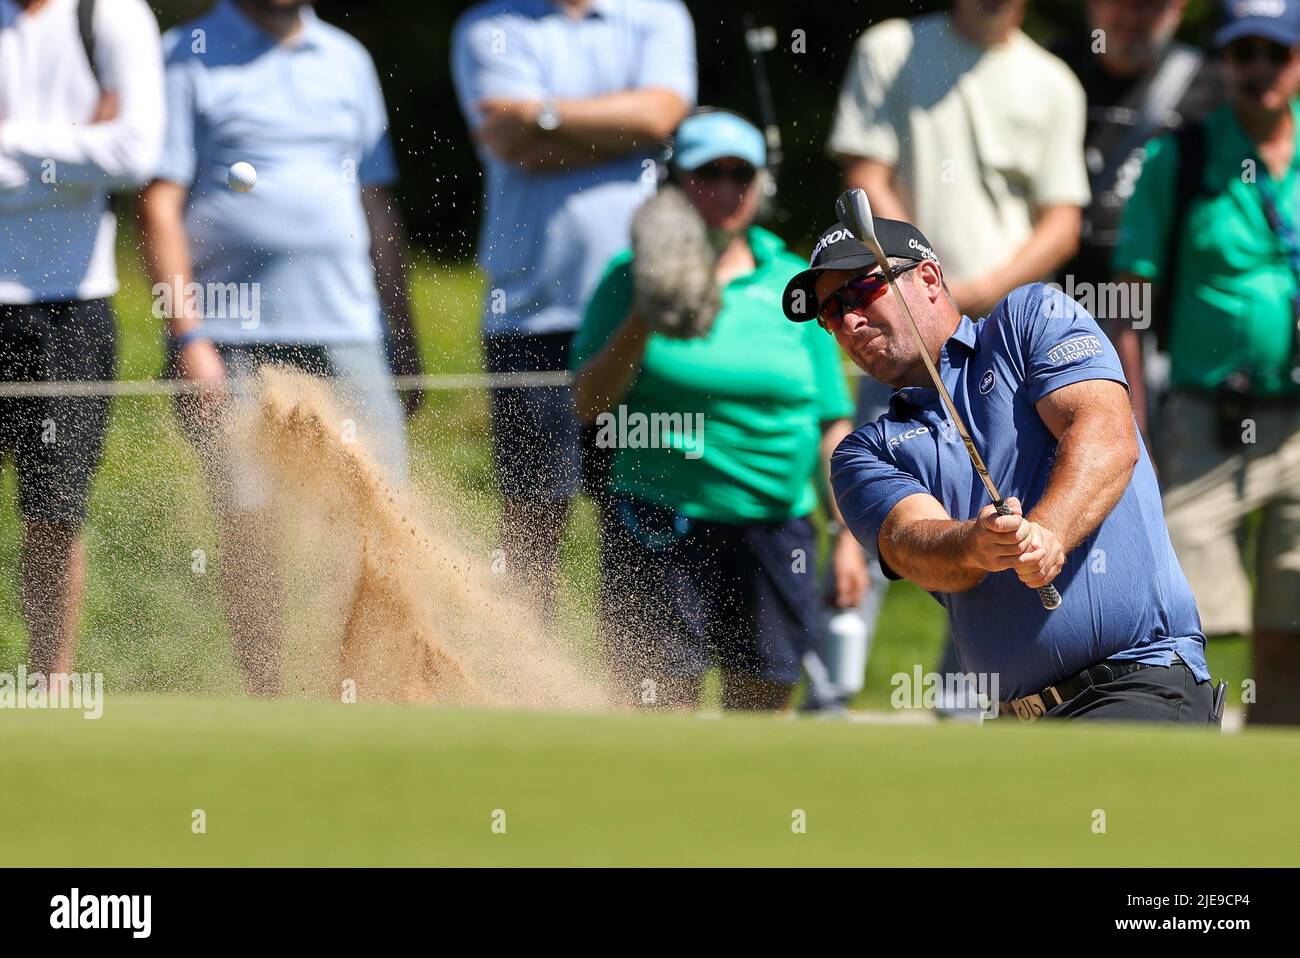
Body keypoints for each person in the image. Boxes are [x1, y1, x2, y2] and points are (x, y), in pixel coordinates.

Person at [784, 217, 1219, 724]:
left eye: (862, 291)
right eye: (831, 314)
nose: (849, 321)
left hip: (1138, 682)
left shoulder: (1030, 317)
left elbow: (1106, 435)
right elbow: (910, 542)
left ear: (927, 279)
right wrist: (976, 543)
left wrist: (1048, 535)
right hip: (1011, 722)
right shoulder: (863, 452)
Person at [138, 0, 420, 696]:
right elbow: (159, 205)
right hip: (231, 335)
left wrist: (403, 335)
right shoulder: (187, 52)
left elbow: (374, 202)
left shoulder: (347, 59)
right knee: (250, 515)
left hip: (347, 325)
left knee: (384, 512)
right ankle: (269, 696)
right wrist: (189, 337)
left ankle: (371, 686)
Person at [828, 0, 1092, 712]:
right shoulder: (890, 47)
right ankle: (825, 705)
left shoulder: (1053, 81)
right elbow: (864, 182)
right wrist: (917, 275)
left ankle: (966, 709)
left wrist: (979, 293)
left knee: (992, 525)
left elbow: (1061, 220)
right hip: (900, 327)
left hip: (1000, 340)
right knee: (871, 516)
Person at [571, 110, 862, 711]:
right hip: (656, 521)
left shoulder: (797, 284)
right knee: (655, 714)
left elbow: (832, 424)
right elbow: (588, 404)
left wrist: (848, 534)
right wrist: (643, 317)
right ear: (676, 184)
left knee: (760, 713)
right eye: (709, 174)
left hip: (774, 531)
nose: (726, 192)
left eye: (741, 175)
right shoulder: (626, 279)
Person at [451, 0, 695, 614]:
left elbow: (662, 116)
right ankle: (523, 691)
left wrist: (546, 114)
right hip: (531, 315)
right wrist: (624, 135)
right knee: (532, 523)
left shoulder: (659, 14)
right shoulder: (490, 26)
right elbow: (512, 143)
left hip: (638, 314)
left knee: (643, 521)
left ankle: (632, 694)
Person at [1113, 0, 1300, 725]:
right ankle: (1180, 759)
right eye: (1242, 52)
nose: (1258, 69)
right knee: (1183, 608)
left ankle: (1269, 785)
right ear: (1222, 60)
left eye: (1275, 53)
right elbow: (1127, 305)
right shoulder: (1179, 155)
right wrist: (1129, 429)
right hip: (1204, 417)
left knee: (1290, 620)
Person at [0, 0, 164, 677]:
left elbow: (133, 153)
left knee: (55, 512)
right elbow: (101, 151)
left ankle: (51, 684)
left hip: (73, 305)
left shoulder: (116, 16)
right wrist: (76, 144)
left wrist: (8, 142)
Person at [1055, 0, 1220, 437]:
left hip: (1162, 327)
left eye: (1151, 5)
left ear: (1178, 9)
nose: (1132, 15)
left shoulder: (1212, 85)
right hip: (1058, 314)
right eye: (1121, 2)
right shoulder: (1050, 71)